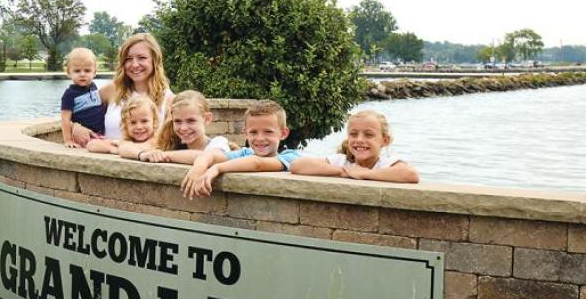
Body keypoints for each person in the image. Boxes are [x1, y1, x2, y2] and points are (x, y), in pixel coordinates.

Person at [180, 100, 302, 198]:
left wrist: (216, 168)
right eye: (253, 132)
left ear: (283, 133)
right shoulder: (245, 153)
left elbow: (257, 163)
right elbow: (210, 155)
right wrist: (197, 168)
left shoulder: (290, 157)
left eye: (268, 132)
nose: (260, 138)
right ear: (245, 133)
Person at [71, 33, 173, 146]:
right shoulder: (111, 90)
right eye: (128, 59)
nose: (134, 65)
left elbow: (170, 141)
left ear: (155, 61)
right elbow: (72, 112)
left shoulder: (169, 100)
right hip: (105, 159)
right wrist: (76, 127)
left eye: (142, 58)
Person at [290, 110, 420, 183]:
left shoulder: (387, 163)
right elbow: (297, 165)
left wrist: (366, 174)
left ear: (385, 140)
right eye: (353, 134)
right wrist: (344, 171)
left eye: (368, 135)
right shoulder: (341, 161)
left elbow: (410, 174)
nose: (359, 140)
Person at [121, 90, 229, 163]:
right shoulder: (170, 143)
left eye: (191, 121)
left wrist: (165, 156)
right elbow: (124, 148)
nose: (183, 128)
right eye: (177, 121)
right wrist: (143, 154)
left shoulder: (218, 143)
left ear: (207, 119)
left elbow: (210, 157)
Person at [60, 48, 104, 148]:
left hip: (100, 133)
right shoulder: (69, 94)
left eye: (87, 70)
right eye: (77, 71)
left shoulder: (94, 87)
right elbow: (65, 119)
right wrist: (68, 140)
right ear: (68, 72)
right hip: (84, 136)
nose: (82, 74)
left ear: (95, 72)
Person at [87, 95, 159, 154]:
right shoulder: (125, 141)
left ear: (154, 122)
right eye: (133, 122)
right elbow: (91, 145)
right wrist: (114, 149)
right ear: (125, 125)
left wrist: (124, 149)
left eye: (144, 121)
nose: (139, 127)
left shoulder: (158, 141)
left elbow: (144, 147)